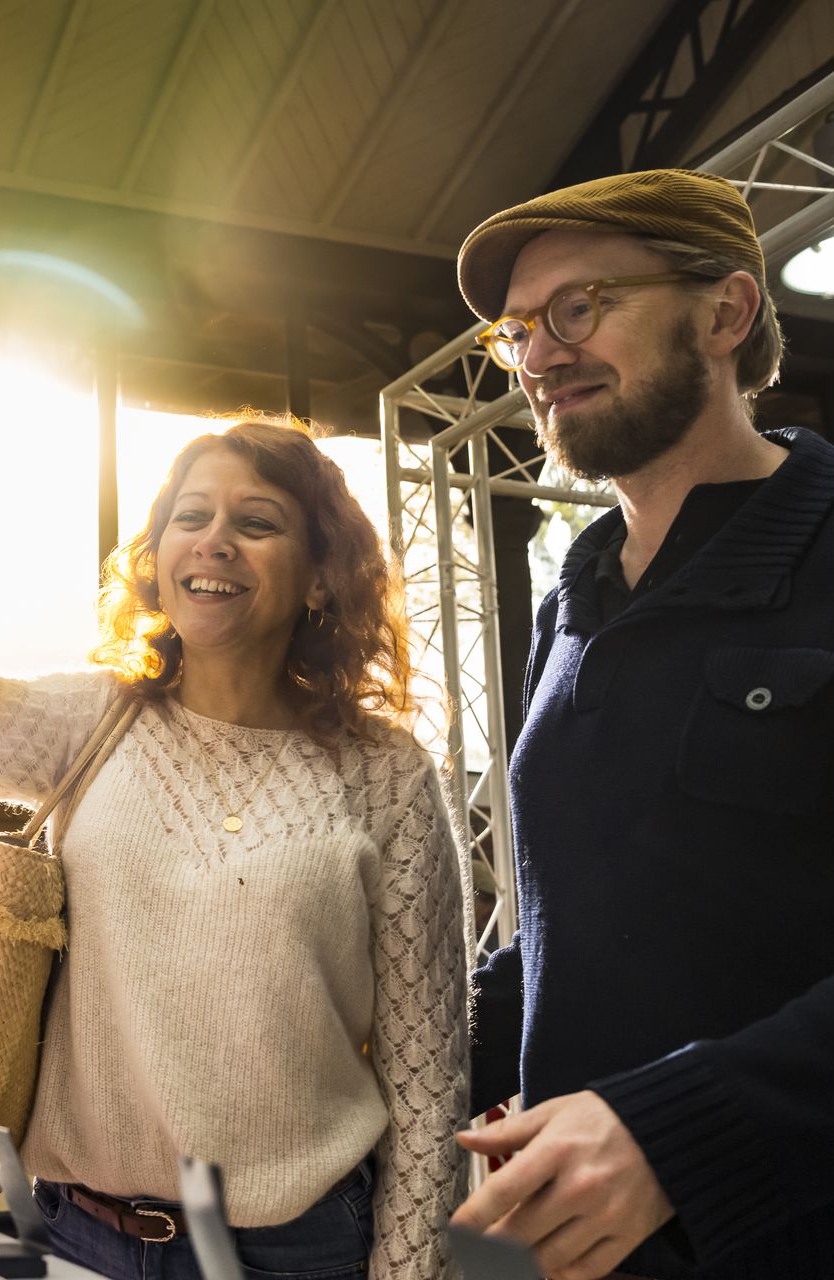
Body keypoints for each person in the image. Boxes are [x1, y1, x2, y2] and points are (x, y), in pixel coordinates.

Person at [0, 418, 470, 1279]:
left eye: (257, 524)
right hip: (77, 1235)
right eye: (191, 518)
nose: (215, 542)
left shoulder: (386, 776)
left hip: (294, 1254)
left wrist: (410, 1273)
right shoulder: (88, 722)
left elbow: (426, 1078)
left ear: (317, 579)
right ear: (158, 559)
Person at [448, 169, 829, 1279]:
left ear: (726, 311)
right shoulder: (575, 599)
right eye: (517, 330)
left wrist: (675, 1131)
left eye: (581, 306)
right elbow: (592, 923)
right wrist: (405, 1027)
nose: (540, 356)